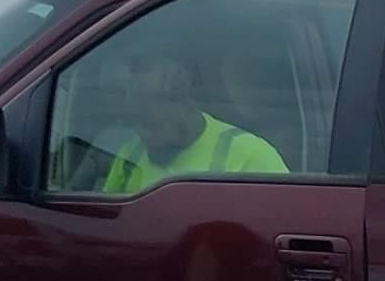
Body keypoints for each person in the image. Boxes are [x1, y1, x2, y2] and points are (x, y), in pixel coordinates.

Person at [101, 51, 288, 192]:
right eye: (135, 124)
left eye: (151, 125)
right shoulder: (130, 155)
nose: (144, 136)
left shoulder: (251, 157)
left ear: (184, 102)